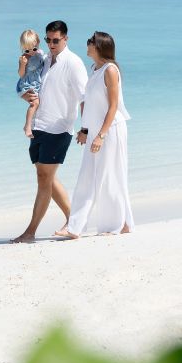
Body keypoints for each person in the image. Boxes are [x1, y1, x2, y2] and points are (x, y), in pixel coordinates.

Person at [10, 20, 88, 244]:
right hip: (39, 126)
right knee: (47, 178)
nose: (52, 44)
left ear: (65, 39)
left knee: (44, 178)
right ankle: (75, 221)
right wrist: (24, 96)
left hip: (59, 128)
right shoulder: (43, 60)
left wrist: (86, 128)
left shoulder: (73, 63)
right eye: (48, 40)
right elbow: (29, 83)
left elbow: (84, 98)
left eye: (56, 40)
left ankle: (30, 232)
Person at [56, 31, 134, 239]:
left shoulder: (110, 70)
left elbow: (113, 106)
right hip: (95, 131)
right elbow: (91, 106)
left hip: (111, 130)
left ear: (99, 46)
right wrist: (85, 130)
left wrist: (101, 135)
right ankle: (75, 227)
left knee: (110, 176)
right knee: (86, 178)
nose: (87, 44)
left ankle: (117, 224)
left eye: (91, 42)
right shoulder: (95, 70)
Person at [16, 29, 45, 138]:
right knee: (35, 103)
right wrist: (23, 64)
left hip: (36, 83)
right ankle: (27, 126)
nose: (31, 52)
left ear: (38, 43)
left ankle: (33, 123)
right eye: (27, 50)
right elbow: (21, 74)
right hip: (27, 84)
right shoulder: (24, 58)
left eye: (33, 48)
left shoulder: (40, 53)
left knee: (38, 104)